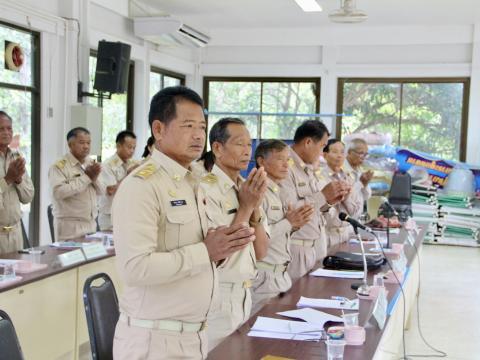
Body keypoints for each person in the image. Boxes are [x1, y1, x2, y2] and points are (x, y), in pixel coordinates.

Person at [112, 86, 254, 360]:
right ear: (159, 129)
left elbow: (205, 255)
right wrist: (206, 251)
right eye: (188, 125)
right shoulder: (143, 185)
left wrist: (222, 247)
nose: (199, 134)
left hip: (193, 336)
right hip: (155, 341)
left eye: (202, 126)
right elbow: (135, 268)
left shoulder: (193, 183)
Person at [197, 117, 270, 350]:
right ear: (217, 148)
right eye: (240, 144)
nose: (247, 151)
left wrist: (255, 207)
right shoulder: (205, 188)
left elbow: (261, 252)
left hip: (245, 292)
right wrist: (246, 207)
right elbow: (220, 253)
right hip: (218, 294)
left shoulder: (248, 186)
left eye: (250, 144)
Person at [280, 120, 350, 281]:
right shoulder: (285, 166)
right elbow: (291, 210)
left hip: (313, 245)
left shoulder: (307, 168)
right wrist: (323, 196)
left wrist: (330, 201)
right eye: (322, 147)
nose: (321, 153)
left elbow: (317, 207)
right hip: (294, 247)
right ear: (308, 142)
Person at [251, 139, 313, 314]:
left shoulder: (279, 191)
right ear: (262, 161)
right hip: (264, 277)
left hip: (281, 275)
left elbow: (280, 231)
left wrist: (294, 224)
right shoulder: (257, 191)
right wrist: (289, 223)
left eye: (288, 160)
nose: (286, 165)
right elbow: (259, 236)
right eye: (280, 159)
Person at [48, 127, 103, 241]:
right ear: (70, 144)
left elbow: (102, 191)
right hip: (70, 226)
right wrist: (86, 177)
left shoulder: (90, 163)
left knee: (92, 259)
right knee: (72, 258)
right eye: (81, 143)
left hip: (91, 223)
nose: (86, 146)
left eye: (88, 143)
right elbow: (59, 192)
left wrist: (94, 177)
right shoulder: (59, 166)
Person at [0, 111, 34, 254]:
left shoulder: (16, 157)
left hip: (15, 232)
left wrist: (18, 180)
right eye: (1, 129)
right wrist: (7, 179)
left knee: (19, 275)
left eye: (9, 129)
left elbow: (28, 197)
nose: (7, 133)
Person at [322, 139, 363, 247]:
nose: (339, 156)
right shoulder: (319, 178)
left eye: (342, 152)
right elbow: (322, 211)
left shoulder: (349, 177)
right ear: (325, 155)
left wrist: (346, 199)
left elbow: (356, 210)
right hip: (327, 234)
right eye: (335, 152)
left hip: (347, 233)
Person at [98, 130, 137, 231]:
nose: (132, 151)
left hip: (128, 215)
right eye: (129, 147)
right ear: (118, 146)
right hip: (110, 217)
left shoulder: (133, 163)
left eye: (134, 148)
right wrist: (128, 176)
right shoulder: (107, 165)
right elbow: (110, 190)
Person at [344, 138, 373, 203]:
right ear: (349, 152)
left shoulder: (359, 170)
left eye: (365, 154)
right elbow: (344, 198)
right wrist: (360, 183)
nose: (363, 157)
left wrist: (365, 184)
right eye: (361, 153)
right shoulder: (340, 169)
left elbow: (366, 197)